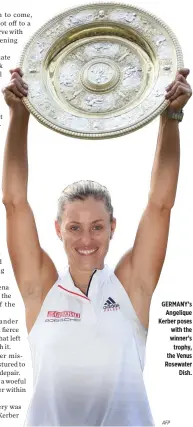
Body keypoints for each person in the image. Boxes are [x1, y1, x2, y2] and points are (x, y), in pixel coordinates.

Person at [1, 67, 192, 427]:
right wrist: (19, 114)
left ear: (112, 229)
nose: (86, 240)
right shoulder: (40, 289)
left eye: (97, 227)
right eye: (74, 227)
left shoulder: (131, 287)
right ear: (58, 230)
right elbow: (14, 202)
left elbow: (160, 204)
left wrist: (171, 116)